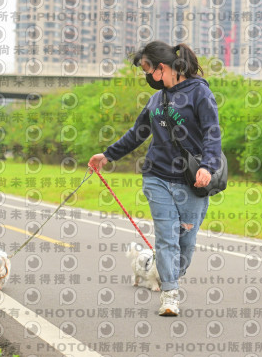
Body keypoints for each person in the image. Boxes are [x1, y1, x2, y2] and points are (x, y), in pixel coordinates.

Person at [88, 41, 222, 316]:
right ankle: (169, 294)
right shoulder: (156, 99)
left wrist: (207, 166)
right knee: (166, 238)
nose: (146, 75)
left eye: (147, 69)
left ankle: (171, 275)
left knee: (186, 242)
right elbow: (137, 133)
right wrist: (108, 155)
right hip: (156, 176)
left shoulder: (200, 92)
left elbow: (212, 132)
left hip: (192, 180)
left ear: (162, 67)